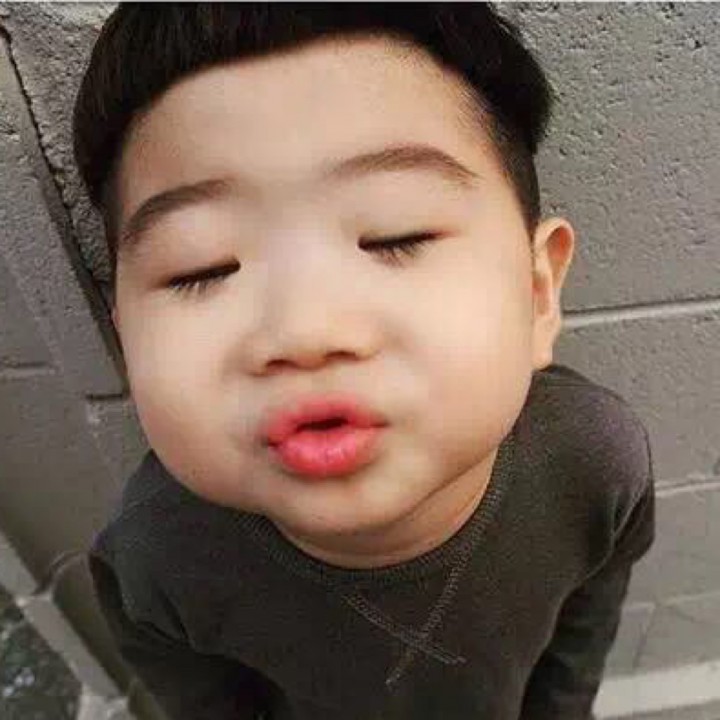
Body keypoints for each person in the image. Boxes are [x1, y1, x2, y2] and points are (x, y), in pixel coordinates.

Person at [72, 4, 655, 719]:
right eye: (202, 268)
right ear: (126, 336)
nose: (304, 332)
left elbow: (583, 637)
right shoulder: (154, 559)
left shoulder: (596, 462)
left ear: (536, 293)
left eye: (394, 235)